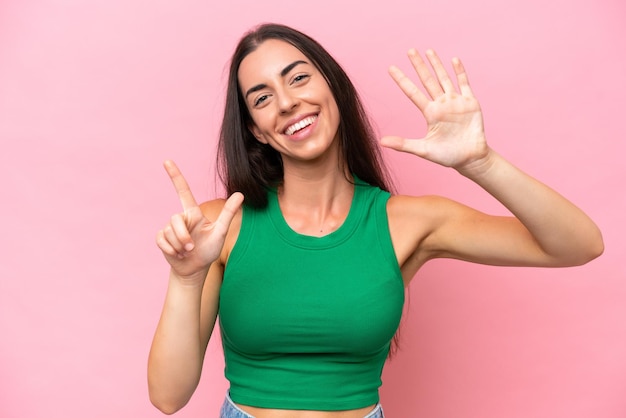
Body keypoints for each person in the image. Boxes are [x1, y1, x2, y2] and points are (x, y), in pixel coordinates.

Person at [147, 23, 603, 418]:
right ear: (255, 130)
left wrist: (480, 163)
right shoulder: (218, 226)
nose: (286, 102)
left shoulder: (408, 221)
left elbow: (578, 245)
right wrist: (186, 279)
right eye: (263, 98)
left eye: (299, 78)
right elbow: (168, 397)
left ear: (332, 86)